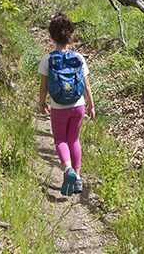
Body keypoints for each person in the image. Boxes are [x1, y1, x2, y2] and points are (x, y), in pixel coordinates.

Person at [38, 13, 95, 196]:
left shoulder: (47, 59)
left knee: (60, 139)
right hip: (78, 106)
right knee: (74, 139)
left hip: (58, 107)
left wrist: (41, 103)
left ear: (52, 36)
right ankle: (77, 179)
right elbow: (86, 86)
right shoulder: (78, 57)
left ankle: (68, 169)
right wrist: (91, 106)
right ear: (70, 34)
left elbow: (43, 87)